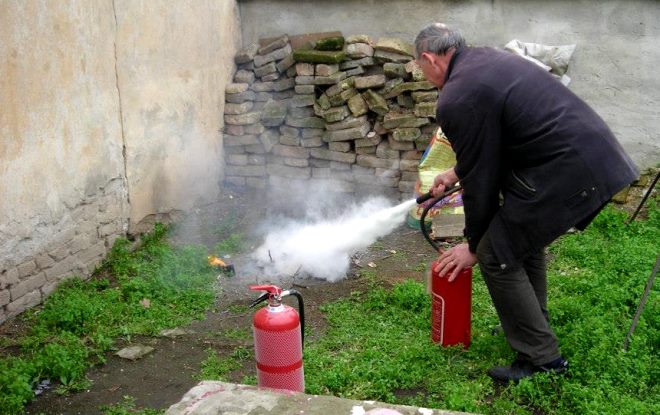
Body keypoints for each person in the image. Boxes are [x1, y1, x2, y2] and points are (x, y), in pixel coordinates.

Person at [414, 23, 639, 382]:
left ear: (428, 58)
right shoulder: (485, 61)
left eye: (420, 68)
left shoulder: (456, 96)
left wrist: (473, 244)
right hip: (587, 158)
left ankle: (542, 361)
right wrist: (455, 173)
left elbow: (482, 182)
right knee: (519, 243)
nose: (422, 76)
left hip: (565, 171)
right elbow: (490, 146)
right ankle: (534, 328)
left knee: (495, 254)